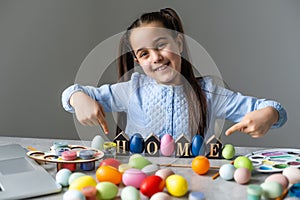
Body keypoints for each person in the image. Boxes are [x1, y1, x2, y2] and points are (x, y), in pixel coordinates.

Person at [61, 8, 287, 142]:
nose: (156, 57)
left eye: (160, 45)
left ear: (178, 43)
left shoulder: (209, 93)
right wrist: (78, 99)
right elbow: (73, 93)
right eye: (144, 54)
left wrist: (268, 115)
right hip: (139, 184)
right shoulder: (132, 89)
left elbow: (274, 109)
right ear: (138, 61)